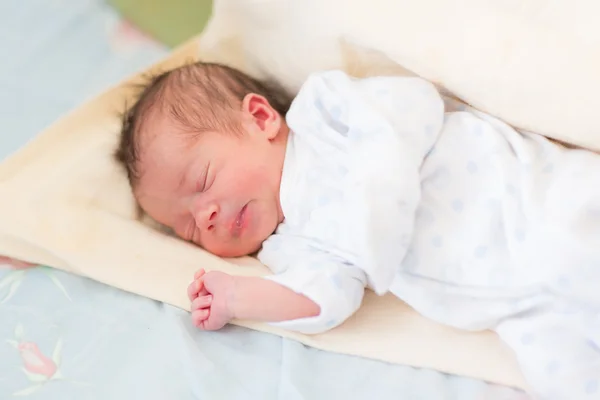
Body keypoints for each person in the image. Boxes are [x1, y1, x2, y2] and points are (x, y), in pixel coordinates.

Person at [115, 61, 600, 399]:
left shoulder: (324, 114)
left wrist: (383, 199)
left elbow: (411, 106)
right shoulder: (290, 248)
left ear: (260, 119)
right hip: (515, 303)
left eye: (202, 182)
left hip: (534, 200)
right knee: (565, 378)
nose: (206, 217)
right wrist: (239, 298)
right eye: (189, 229)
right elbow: (326, 301)